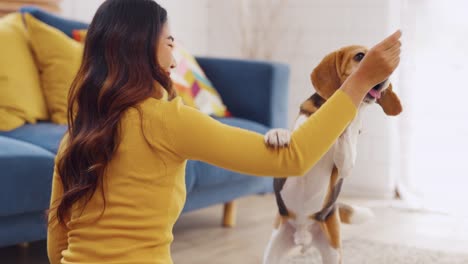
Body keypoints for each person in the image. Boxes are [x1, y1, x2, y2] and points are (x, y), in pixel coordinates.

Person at [46, 0, 402, 263]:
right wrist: (358, 83)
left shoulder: (76, 135)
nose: (176, 52)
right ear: (140, 48)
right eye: (170, 41)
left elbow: (57, 239)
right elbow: (293, 157)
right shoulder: (168, 121)